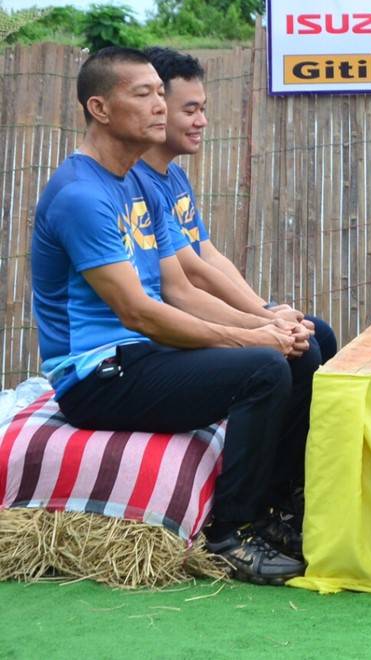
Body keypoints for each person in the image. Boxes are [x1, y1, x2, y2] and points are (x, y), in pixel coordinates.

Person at [31, 46, 316, 584]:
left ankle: (277, 510)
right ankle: (230, 535)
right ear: (99, 108)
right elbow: (138, 312)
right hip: (97, 375)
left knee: (299, 350)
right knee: (263, 368)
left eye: (161, 94)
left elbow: (179, 289)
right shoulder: (80, 195)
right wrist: (253, 340)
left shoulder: (139, 183)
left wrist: (267, 325)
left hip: (143, 354)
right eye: (144, 95)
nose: (160, 106)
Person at [132, 47, 337, 362]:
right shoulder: (139, 184)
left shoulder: (175, 177)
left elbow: (209, 255)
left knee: (318, 333)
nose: (202, 121)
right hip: (176, 323)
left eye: (203, 109)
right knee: (292, 356)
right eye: (190, 111)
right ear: (156, 110)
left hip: (199, 311)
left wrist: (265, 308)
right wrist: (263, 320)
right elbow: (194, 274)